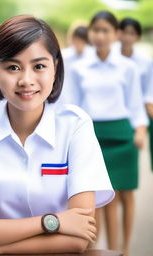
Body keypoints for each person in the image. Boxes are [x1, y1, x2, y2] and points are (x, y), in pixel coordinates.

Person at [0, 15, 114, 255]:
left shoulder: (75, 126)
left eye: (39, 66)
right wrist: (53, 221)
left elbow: (78, 239)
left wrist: (0, 250)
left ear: (55, 67)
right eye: (13, 67)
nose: (26, 80)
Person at [66, 11, 148, 256]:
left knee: (124, 197)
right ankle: (95, 250)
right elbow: (73, 105)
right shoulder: (78, 68)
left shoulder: (128, 67)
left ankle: (122, 249)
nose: (100, 36)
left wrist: (141, 130)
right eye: (96, 30)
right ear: (90, 33)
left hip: (123, 137)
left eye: (105, 31)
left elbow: (135, 104)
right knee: (96, 202)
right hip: (92, 137)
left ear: (116, 34)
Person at [119, 17, 153, 172]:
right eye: (124, 32)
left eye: (131, 33)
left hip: (137, 114)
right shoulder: (107, 59)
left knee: (128, 165)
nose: (127, 37)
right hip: (117, 114)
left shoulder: (145, 63)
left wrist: (143, 125)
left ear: (137, 36)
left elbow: (148, 93)